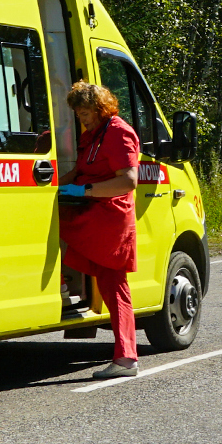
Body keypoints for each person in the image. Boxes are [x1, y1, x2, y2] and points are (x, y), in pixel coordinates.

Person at [57, 81, 142, 378]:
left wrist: (85, 192)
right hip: (89, 210)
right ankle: (63, 283)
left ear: (101, 106)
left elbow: (128, 181)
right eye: (79, 114)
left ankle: (127, 358)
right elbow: (79, 170)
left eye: (86, 112)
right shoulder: (91, 134)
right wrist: (50, 187)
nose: (83, 118)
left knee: (113, 284)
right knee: (46, 225)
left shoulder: (119, 132)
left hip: (109, 217)